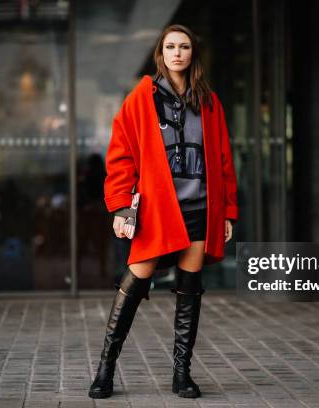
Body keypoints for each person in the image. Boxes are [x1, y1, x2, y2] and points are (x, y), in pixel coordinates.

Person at [89, 24, 238, 399]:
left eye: (184, 46)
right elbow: (121, 156)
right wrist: (121, 206)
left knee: (190, 289)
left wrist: (228, 214)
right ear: (161, 53)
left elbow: (222, 162)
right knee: (136, 280)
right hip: (157, 208)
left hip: (200, 208)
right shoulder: (141, 99)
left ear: (192, 53)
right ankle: (106, 369)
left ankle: (181, 373)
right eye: (170, 46)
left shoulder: (209, 102)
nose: (177, 53)